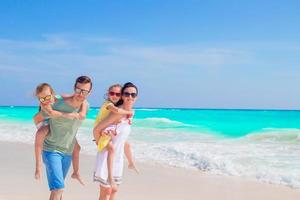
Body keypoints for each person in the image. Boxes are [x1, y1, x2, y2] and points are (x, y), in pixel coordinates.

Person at [42, 76, 92, 200]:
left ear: (89, 93)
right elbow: (42, 102)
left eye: (84, 91)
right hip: (51, 149)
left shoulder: (85, 106)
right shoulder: (59, 100)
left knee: (59, 189)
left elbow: (72, 129)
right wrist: (44, 126)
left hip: (67, 152)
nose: (81, 94)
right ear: (74, 88)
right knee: (58, 188)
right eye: (78, 90)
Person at [33, 83, 87, 186]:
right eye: (42, 99)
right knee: (41, 135)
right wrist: (73, 115)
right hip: (45, 122)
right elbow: (55, 114)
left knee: (77, 147)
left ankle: (76, 172)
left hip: (57, 124)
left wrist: (83, 111)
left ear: (53, 94)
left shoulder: (58, 98)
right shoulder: (46, 106)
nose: (46, 101)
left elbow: (79, 98)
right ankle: (38, 167)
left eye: (48, 97)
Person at [93, 82, 138, 200]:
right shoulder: (117, 112)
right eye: (127, 94)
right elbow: (97, 129)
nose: (130, 97)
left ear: (136, 97)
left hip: (118, 158)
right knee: (106, 192)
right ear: (123, 96)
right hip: (107, 156)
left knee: (113, 192)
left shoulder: (130, 113)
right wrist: (99, 143)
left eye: (133, 94)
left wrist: (131, 161)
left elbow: (124, 141)